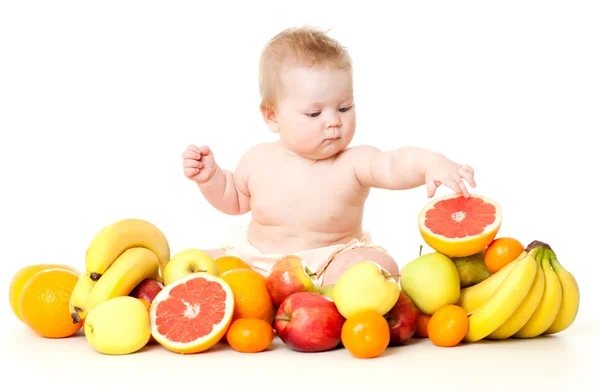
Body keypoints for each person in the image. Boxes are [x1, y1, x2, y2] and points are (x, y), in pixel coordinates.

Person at [181, 26, 476, 286]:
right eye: (314, 113)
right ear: (272, 116)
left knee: (379, 266)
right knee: (191, 263)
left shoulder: (354, 163)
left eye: (344, 108)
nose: (334, 121)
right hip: (256, 264)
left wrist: (429, 163)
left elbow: (393, 165)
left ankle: (326, 302)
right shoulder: (257, 160)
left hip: (328, 265)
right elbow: (234, 200)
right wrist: (211, 178)